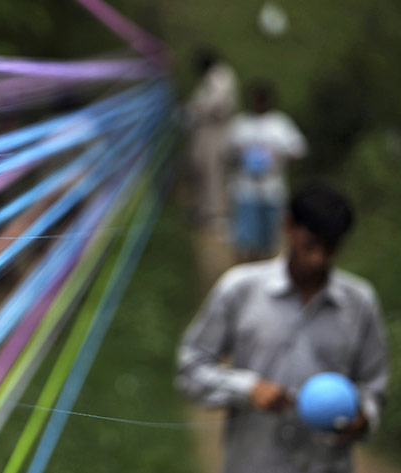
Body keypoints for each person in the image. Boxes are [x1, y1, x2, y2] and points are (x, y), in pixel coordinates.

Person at [176, 183, 388, 473]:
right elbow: (191, 367)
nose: (319, 258)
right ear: (288, 226)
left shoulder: (359, 301)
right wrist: (248, 389)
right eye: (311, 245)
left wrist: (362, 417)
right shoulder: (240, 288)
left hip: (327, 465)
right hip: (254, 463)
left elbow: (374, 386)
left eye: (331, 247)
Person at [227, 81, 307, 261]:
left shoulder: (280, 124)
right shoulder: (241, 124)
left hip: (272, 188)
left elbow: (299, 151)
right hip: (245, 188)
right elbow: (228, 152)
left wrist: (277, 156)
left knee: (271, 238)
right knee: (245, 240)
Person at [184, 47, 239, 230]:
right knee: (202, 168)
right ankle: (205, 208)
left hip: (215, 130)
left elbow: (215, 104)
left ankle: (217, 214)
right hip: (205, 130)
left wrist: (195, 110)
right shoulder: (213, 77)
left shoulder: (220, 76)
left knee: (213, 170)